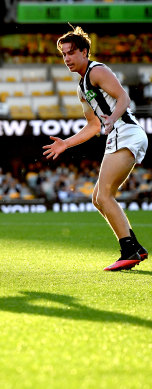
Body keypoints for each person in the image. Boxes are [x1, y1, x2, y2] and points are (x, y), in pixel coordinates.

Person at [43, 26, 148, 271]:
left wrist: (112, 119)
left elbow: (123, 98)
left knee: (104, 195)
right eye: (63, 55)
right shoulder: (82, 87)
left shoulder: (97, 70)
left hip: (126, 131)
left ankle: (128, 251)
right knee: (97, 198)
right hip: (119, 134)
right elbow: (92, 126)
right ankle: (136, 247)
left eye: (70, 53)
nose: (67, 59)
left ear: (84, 52)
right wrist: (66, 143)